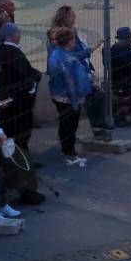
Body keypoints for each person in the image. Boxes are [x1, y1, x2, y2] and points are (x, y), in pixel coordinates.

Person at [47, 26, 97, 168]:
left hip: (60, 95)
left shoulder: (59, 53)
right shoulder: (64, 58)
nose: (75, 41)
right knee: (69, 124)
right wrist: (89, 82)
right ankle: (69, 151)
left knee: (68, 123)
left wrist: (90, 50)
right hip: (66, 97)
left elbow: (76, 57)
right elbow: (71, 78)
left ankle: (68, 149)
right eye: (73, 38)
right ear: (69, 41)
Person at [0, 23, 41, 159]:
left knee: (9, 130)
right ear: (12, 36)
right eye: (18, 34)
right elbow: (25, 73)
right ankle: (22, 160)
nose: (19, 36)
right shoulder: (14, 53)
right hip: (19, 101)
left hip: (5, 99)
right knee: (22, 130)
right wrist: (36, 77)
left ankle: (11, 158)